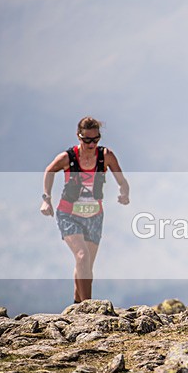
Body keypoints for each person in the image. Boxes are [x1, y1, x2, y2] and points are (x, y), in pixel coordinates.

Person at [40, 116, 130, 303]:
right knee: (82, 256)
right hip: (68, 214)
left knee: (85, 264)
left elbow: (122, 180)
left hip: (94, 216)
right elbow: (49, 171)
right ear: (78, 136)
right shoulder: (68, 158)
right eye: (87, 140)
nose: (91, 144)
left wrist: (124, 193)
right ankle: (89, 307)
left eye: (95, 140)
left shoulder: (106, 156)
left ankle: (77, 306)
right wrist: (46, 199)